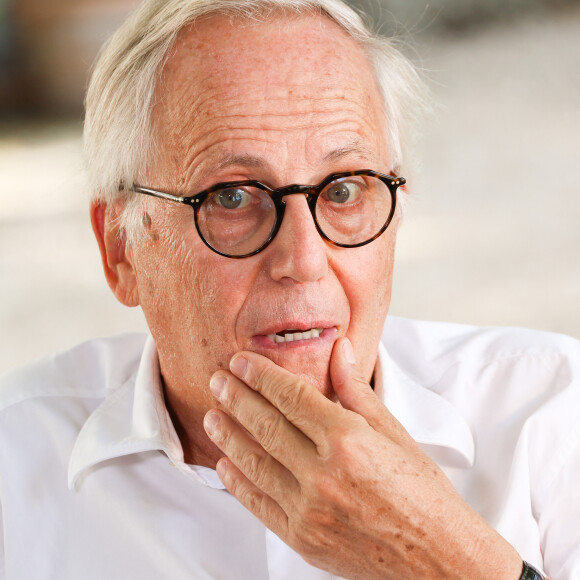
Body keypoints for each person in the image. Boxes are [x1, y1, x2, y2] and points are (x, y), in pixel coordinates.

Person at [0, 0, 578, 578]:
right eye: (231, 197)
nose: (303, 260)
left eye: (345, 190)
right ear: (122, 250)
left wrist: (442, 558)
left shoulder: (551, 417)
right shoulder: (17, 461)